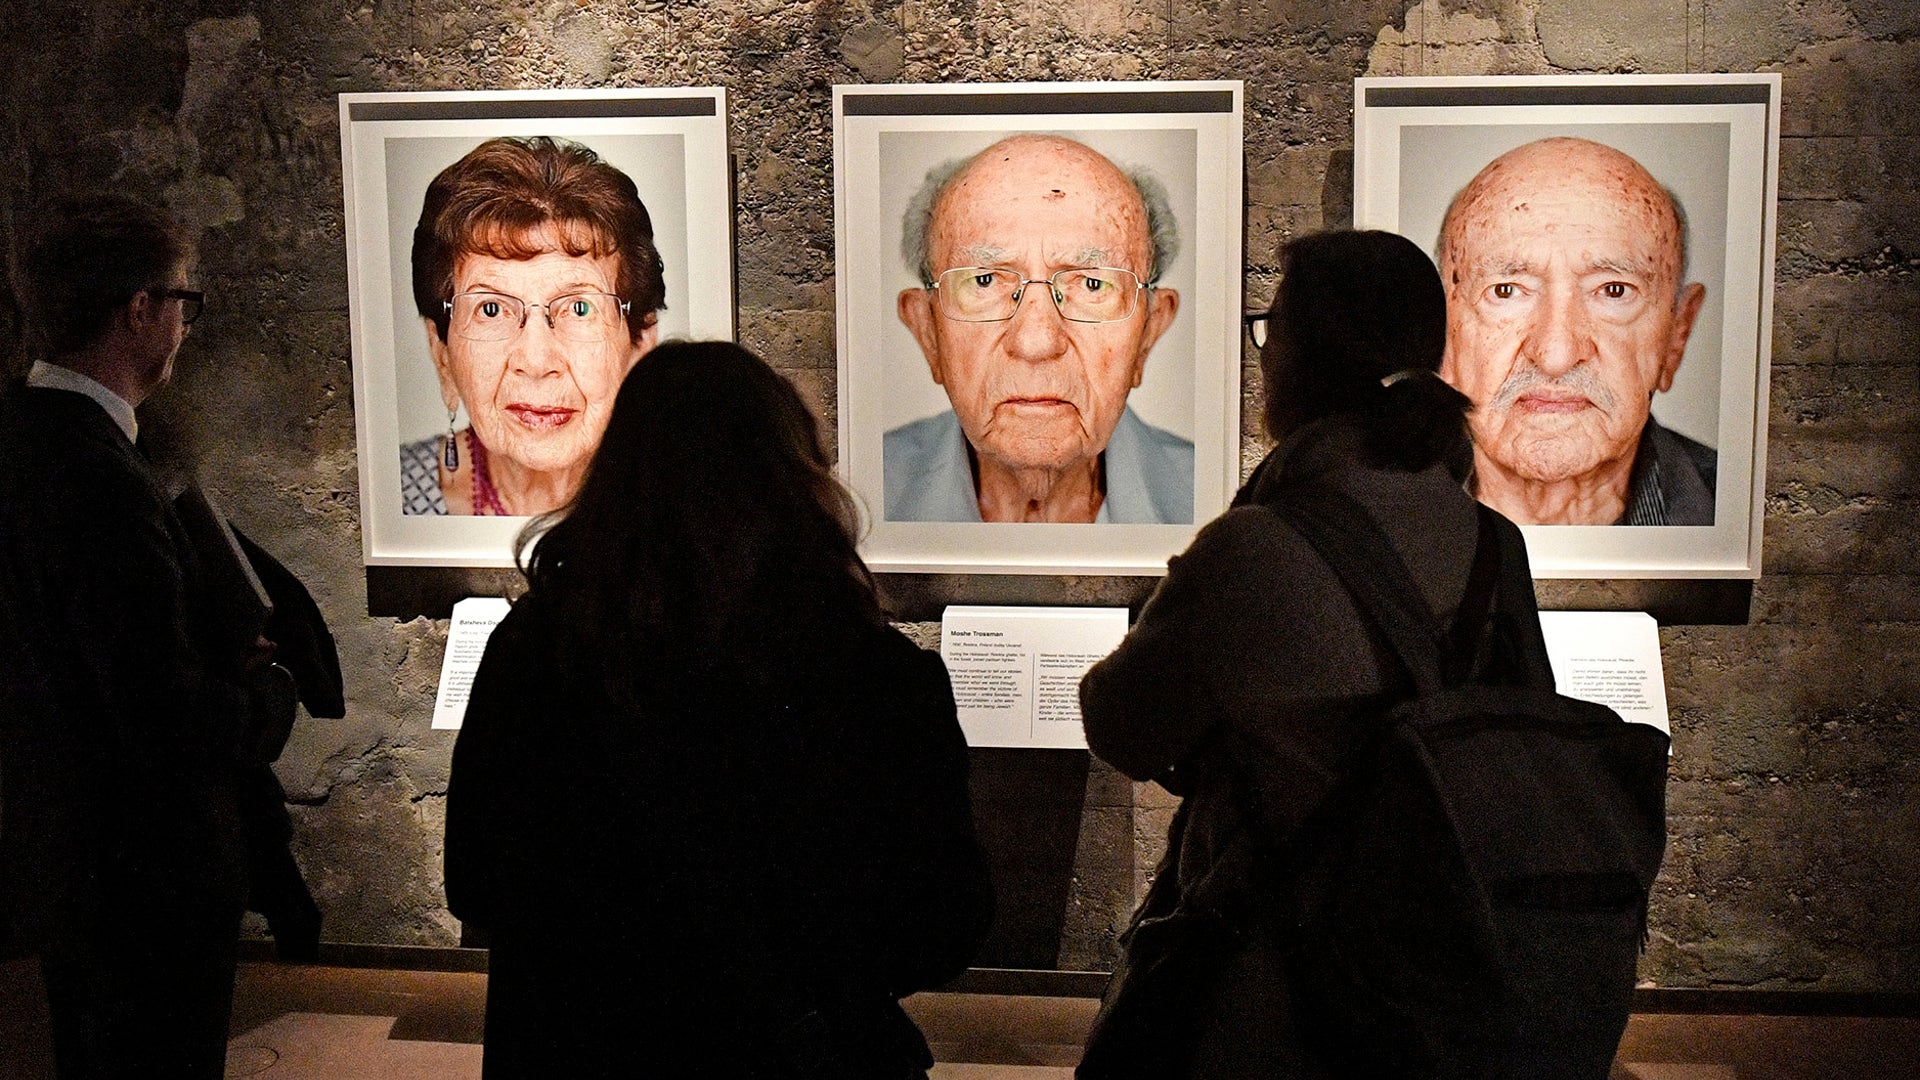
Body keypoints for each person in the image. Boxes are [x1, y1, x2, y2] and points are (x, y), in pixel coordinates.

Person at [444, 341, 993, 1078]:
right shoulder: (871, 671)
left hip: (581, 1047)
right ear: (794, 478)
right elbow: (943, 921)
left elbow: (477, 880)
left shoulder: (536, 654)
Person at [1079, 230, 1541, 1075]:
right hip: (1438, 966)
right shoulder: (1491, 545)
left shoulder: (1253, 547)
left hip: (1283, 978)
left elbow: (1121, 724)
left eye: (1273, 329)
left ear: (1298, 356)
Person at [0, 196, 297, 1078]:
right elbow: (155, 706)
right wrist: (261, 698)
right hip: (140, 872)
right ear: (139, 310)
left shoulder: (25, 437)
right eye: (182, 302)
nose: (184, 327)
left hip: (62, 858)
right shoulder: (98, 473)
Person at [888, 134, 1192, 524]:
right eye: (984, 281)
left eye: (1092, 284)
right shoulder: (863, 498)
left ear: (1148, 332)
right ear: (928, 333)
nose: (1036, 342)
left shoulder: (1207, 503)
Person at [1436, 136, 1714, 525]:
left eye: (1613, 291)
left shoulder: (1736, 506)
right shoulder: (1370, 513)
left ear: (1677, 334)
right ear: (1441, 331)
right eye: (1505, 291)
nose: (1556, 356)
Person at [403, 135, 665, 517]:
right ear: (442, 355)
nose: (537, 362)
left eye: (579, 308)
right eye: (491, 309)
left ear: (640, 349)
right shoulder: (399, 494)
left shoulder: (687, 507)